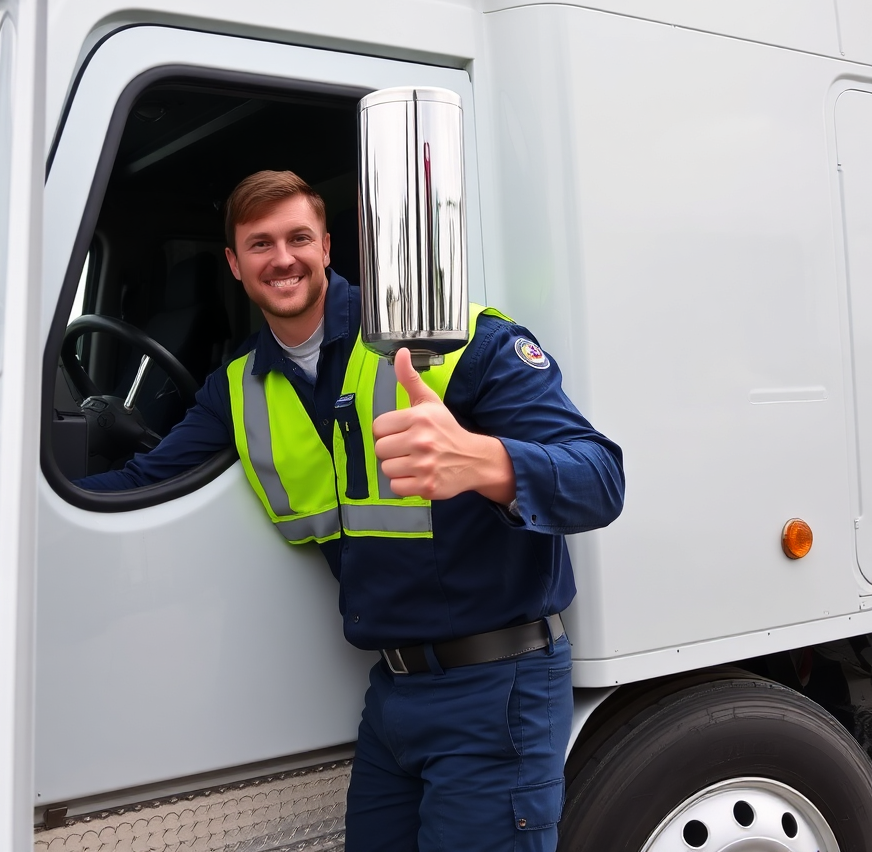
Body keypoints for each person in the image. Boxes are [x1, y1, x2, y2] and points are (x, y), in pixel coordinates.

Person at [79, 169, 625, 851]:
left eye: (298, 237)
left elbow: (601, 478)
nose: (283, 258)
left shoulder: (457, 339)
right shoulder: (237, 388)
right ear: (234, 265)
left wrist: (484, 461)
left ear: (328, 246)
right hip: (393, 697)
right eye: (260, 244)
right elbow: (138, 481)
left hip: (497, 690)